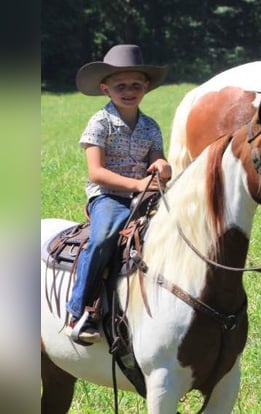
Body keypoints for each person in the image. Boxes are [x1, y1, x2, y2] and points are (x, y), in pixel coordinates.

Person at [65, 44, 171, 345]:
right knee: (104, 237)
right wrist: (137, 185)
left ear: (146, 88)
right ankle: (79, 309)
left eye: (136, 85)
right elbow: (96, 172)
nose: (128, 91)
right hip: (108, 196)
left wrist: (162, 166)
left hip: (146, 195)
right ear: (105, 88)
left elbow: (157, 160)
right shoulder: (100, 123)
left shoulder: (150, 126)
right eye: (120, 85)